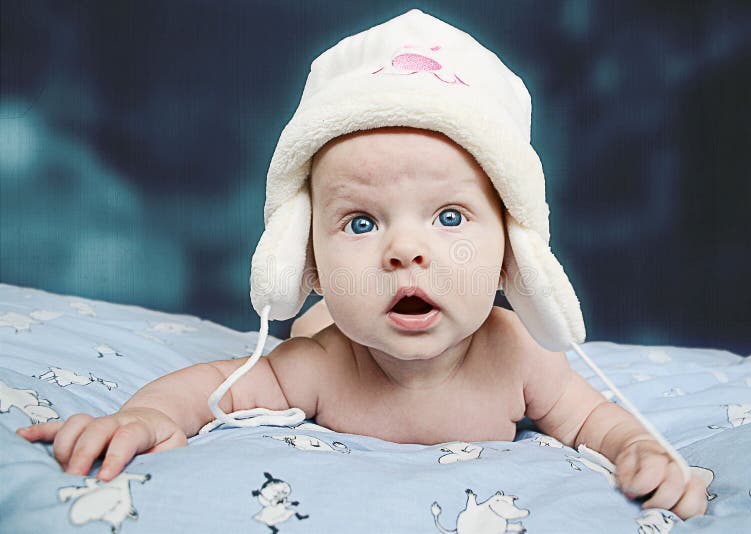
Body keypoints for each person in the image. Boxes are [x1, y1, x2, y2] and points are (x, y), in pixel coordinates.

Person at [16, 9, 707, 519]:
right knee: (311, 333)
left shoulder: (520, 360)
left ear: (511, 257)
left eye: (449, 217)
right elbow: (211, 385)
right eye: (361, 221)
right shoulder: (322, 368)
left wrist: (642, 453)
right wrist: (142, 417)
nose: (406, 251)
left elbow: (600, 422)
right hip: (324, 331)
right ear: (306, 260)